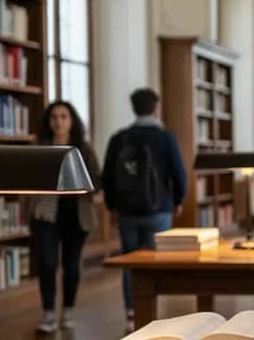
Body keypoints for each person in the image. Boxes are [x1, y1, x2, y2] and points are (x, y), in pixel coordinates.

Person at [102, 88, 187, 332]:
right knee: (154, 261)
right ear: (156, 107)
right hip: (159, 209)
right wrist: (179, 200)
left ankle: (132, 313)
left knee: (130, 261)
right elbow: (179, 173)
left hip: (127, 211)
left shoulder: (119, 139)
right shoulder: (165, 138)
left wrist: (112, 206)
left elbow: (107, 176)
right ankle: (152, 312)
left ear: (134, 108)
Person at [29, 102, 102, 333]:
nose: (58, 121)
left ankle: (68, 310)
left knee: (71, 265)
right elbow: (27, 177)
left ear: (72, 121)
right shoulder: (40, 147)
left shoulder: (83, 149)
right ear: (48, 121)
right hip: (45, 215)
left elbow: (96, 181)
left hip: (76, 215)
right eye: (53, 117)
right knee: (47, 263)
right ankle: (48, 314)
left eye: (63, 116)